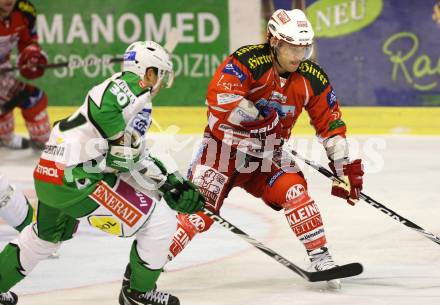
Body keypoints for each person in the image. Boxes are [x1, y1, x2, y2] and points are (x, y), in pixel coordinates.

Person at [167, 9, 364, 289]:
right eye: (292, 47)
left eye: (304, 47)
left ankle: (320, 256)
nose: (299, 55)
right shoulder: (248, 61)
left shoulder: (312, 78)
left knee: (296, 192)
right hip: (221, 152)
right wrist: (258, 119)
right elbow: (219, 100)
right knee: (196, 217)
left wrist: (342, 165)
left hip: (266, 156)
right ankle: (147, 266)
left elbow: (330, 123)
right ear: (274, 42)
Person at [0, 40, 205, 305]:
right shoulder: (132, 87)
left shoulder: (132, 97)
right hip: (77, 180)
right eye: (159, 74)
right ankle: (137, 294)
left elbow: (131, 155)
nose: (160, 83)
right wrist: (121, 143)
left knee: (44, 238)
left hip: (51, 172)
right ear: (148, 72)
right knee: (160, 222)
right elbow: (108, 115)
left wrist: (168, 181)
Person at [0, 0, 50, 150]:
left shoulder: (25, 12)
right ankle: (44, 142)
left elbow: (29, 42)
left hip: (3, 68)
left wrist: (32, 56)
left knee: (27, 99)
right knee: (32, 98)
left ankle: (5, 138)